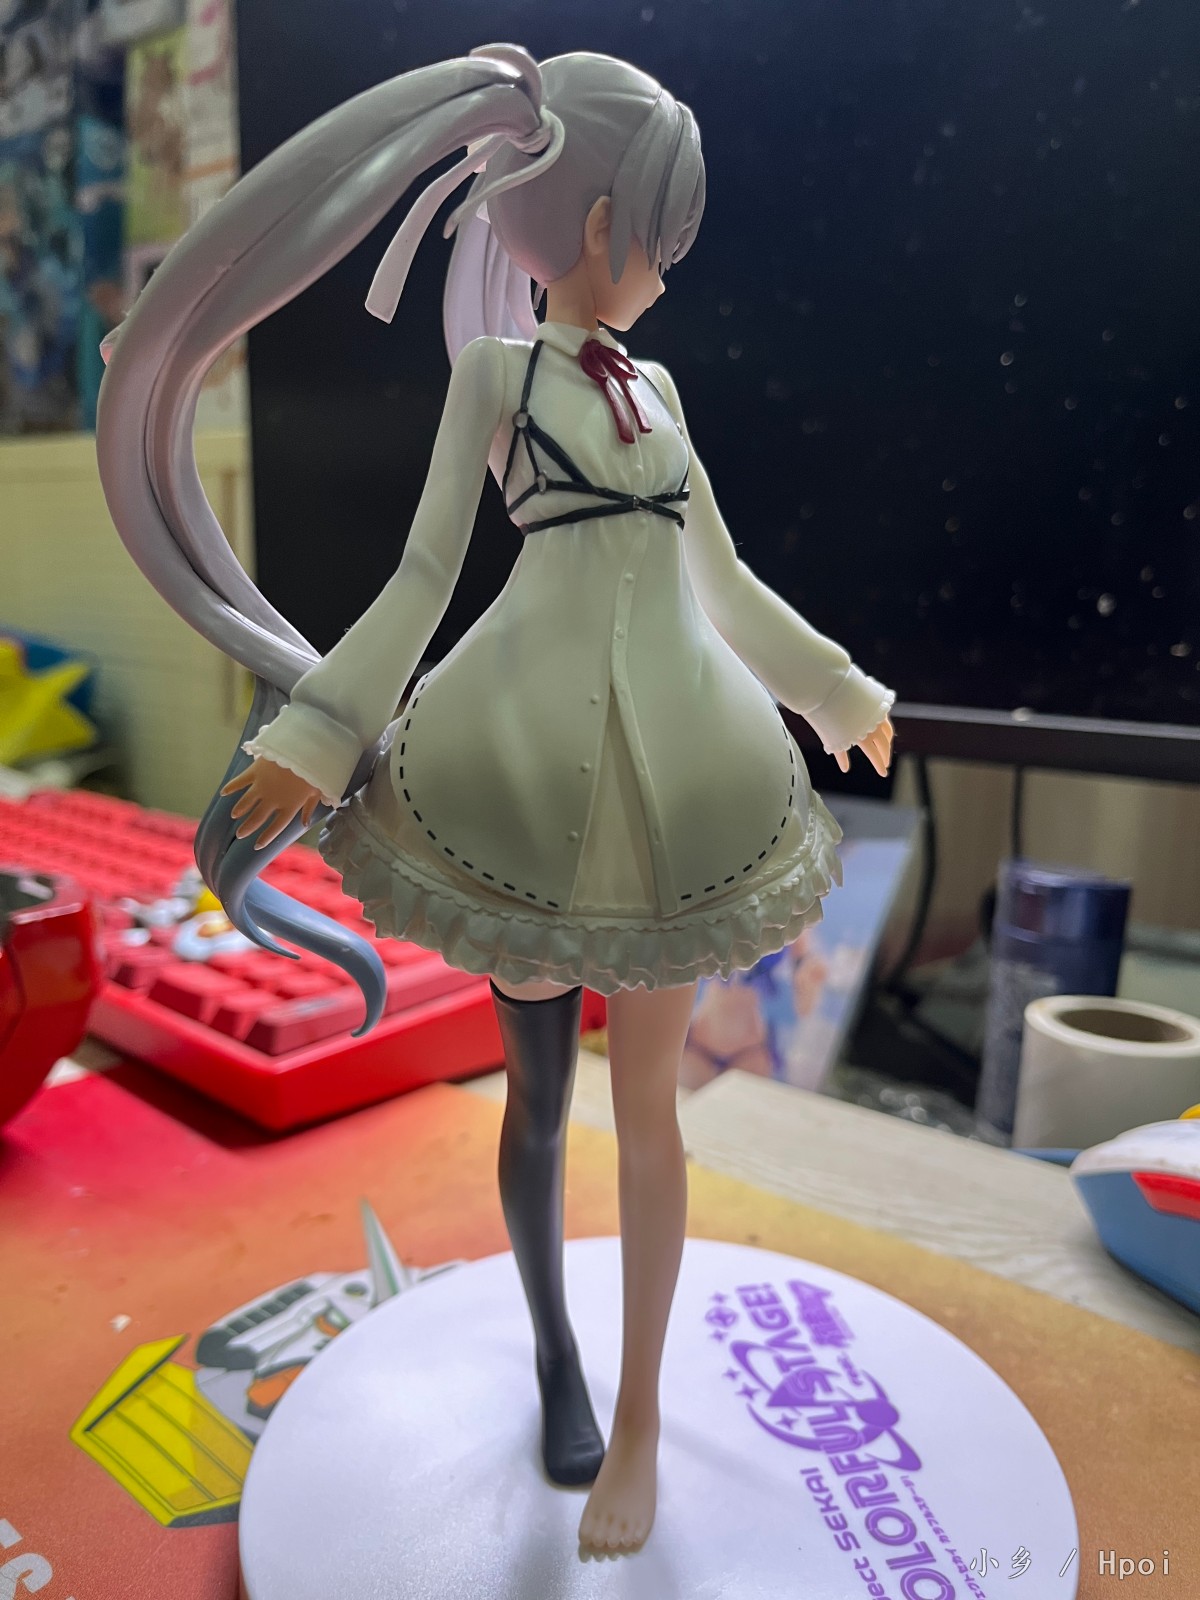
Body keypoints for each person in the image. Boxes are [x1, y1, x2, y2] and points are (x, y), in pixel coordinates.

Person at [96, 44, 894, 1555]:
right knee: (539, 1106)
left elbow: (723, 583)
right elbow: (421, 579)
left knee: (651, 1120)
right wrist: (324, 727)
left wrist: (837, 690)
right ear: (601, 225)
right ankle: (553, 1353)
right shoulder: (495, 378)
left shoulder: (661, 391)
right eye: (662, 231)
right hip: (521, 775)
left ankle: (639, 1421)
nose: (668, 266)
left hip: (688, 782)